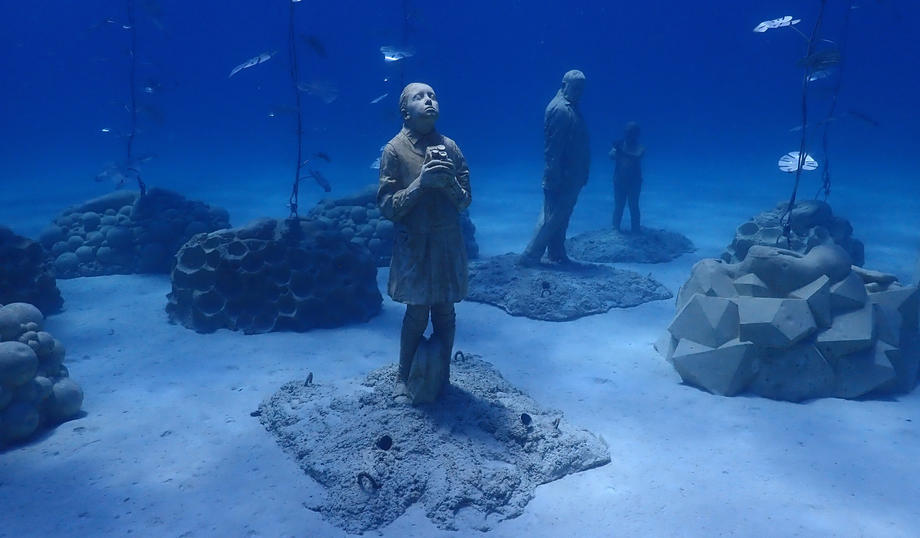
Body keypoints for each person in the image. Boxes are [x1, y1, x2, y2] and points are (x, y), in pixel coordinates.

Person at [377, 82, 471, 398]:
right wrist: (421, 183)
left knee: (445, 310)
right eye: (420, 97)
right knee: (417, 312)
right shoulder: (394, 150)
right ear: (405, 111)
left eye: (433, 95)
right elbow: (388, 206)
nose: (429, 100)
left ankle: (442, 375)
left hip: (446, 244)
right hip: (414, 246)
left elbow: (464, 201)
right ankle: (402, 378)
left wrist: (448, 186)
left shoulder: (451, 148)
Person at [519, 70, 590, 267]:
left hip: (571, 174)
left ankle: (557, 252)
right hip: (562, 175)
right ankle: (530, 255)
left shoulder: (570, 107)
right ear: (564, 85)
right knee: (553, 216)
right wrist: (553, 176)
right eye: (575, 88)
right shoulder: (561, 110)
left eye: (581, 89)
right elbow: (553, 148)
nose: (579, 92)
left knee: (561, 215)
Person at [609, 121, 645, 233]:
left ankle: (636, 229)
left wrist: (621, 152)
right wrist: (616, 151)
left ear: (636, 134)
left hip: (634, 182)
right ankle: (615, 229)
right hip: (619, 181)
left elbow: (637, 157)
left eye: (631, 132)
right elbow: (611, 156)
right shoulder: (619, 145)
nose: (628, 134)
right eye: (627, 132)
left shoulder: (640, 147)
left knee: (633, 206)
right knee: (618, 206)